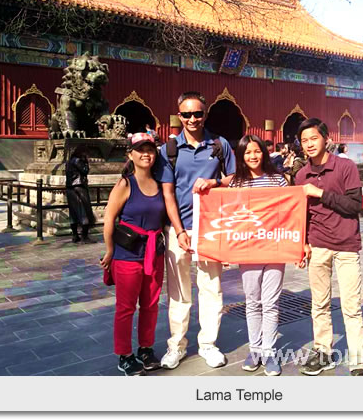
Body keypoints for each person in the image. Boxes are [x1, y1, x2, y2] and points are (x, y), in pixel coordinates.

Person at [153, 91, 236, 370]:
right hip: (180, 229)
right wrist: (178, 231)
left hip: (211, 228)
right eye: (186, 114)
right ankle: (176, 344)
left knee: (211, 288)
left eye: (197, 113)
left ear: (205, 114)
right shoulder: (170, 149)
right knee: (178, 291)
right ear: (179, 115)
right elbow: (167, 194)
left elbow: (234, 178)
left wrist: (214, 183)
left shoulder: (219, 144)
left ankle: (208, 344)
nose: (192, 119)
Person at [295, 118, 363, 377]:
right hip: (318, 246)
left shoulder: (346, 167)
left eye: (314, 138)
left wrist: (320, 194)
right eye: (304, 141)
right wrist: (302, 243)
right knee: (320, 304)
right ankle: (323, 352)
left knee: (351, 305)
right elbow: (300, 214)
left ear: (326, 138)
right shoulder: (301, 175)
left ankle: (358, 361)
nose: (309, 144)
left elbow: (354, 205)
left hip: (347, 245)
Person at [100, 132, 166, 376]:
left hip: (153, 253)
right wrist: (108, 250)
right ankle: (125, 355)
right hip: (127, 254)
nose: (146, 154)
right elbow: (109, 219)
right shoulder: (125, 184)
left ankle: (146, 349)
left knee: (150, 304)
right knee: (126, 307)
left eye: (150, 149)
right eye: (140, 150)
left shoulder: (161, 183)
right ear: (131, 155)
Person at [228, 135, 289, 376]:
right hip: (248, 250)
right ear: (241, 157)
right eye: (247, 153)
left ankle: (270, 352)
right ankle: (255, 350)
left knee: (271, 303)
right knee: (253, 303)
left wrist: (299, 244)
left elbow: (290, 212)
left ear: (264, 152)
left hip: (275, 248)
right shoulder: (236, 183)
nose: (253, 156)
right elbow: (229, 217)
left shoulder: (278, 180)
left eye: (257, 151)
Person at [65, 145, 96, 243]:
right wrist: (86, 162)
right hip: (79, 187)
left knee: (73, 213)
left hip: (70, 188)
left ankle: (75, 235)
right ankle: (85, 236)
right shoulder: (78, 161)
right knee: (84, 211)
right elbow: (85, 171)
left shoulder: (69, 161)